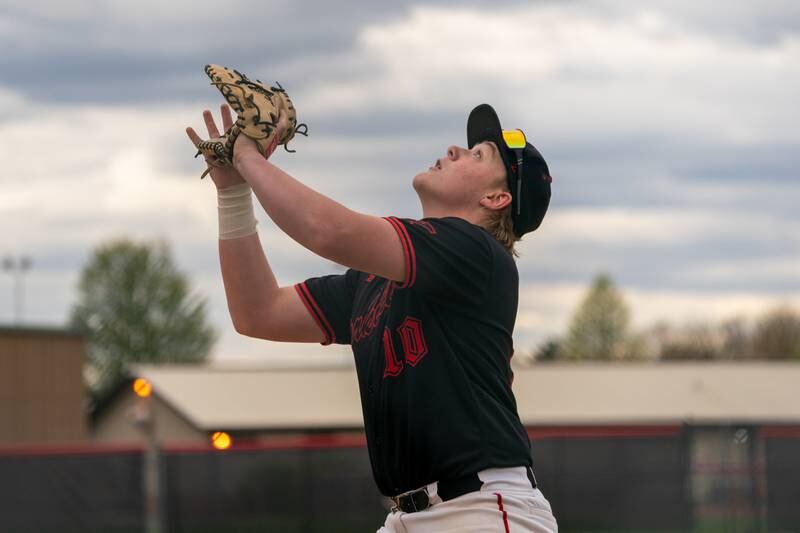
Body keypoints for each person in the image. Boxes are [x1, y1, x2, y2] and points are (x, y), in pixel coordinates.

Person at [186, 102, 558, 532]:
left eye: (478, 155)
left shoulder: (476, 253)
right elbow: (258, 312)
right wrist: (232, 191)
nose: (455, 149)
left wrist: (246, 156)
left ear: (496, 198)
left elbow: (327, 231)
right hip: (411, 516)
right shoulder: (375, 280)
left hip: (481, 510)